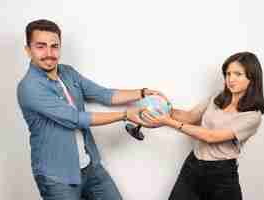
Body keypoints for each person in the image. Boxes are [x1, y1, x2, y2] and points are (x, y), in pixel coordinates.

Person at [17, 19, 160, 200]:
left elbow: (104, 95)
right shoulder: (29, 87)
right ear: (28, 50)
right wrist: (125, 115)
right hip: (57, 178)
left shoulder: (68, 72)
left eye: (54, 46)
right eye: (41, 46)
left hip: (89, 166)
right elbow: (75, 118)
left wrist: (142, 93)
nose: (49, 53)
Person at [142, 52, 264, 200]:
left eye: (238, 74)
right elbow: (189, 117)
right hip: (193, 166)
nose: (231, 79)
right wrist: (166, 108)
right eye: (228, 74)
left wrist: (168, 121)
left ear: (251, 78)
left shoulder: (253, 115)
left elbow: (211, 137)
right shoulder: (217, 98)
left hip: (221, 176)